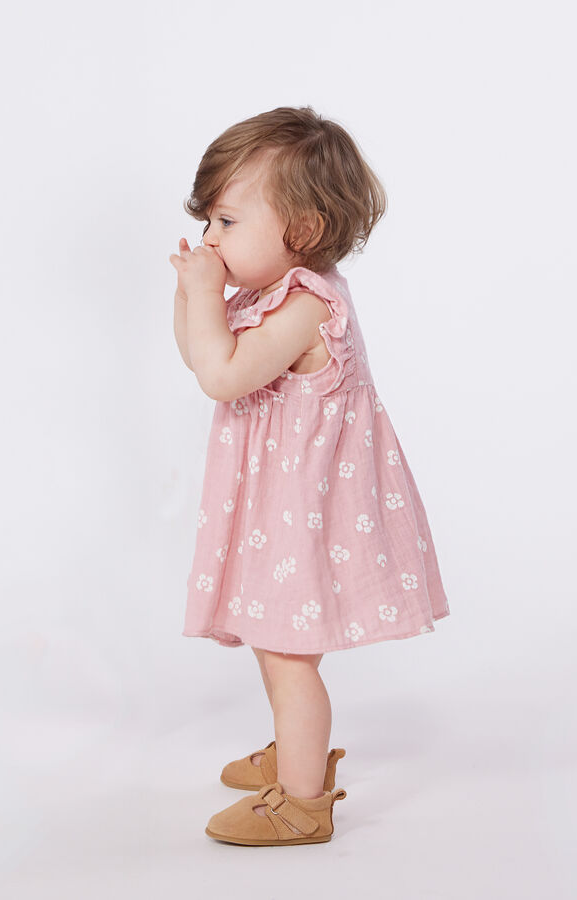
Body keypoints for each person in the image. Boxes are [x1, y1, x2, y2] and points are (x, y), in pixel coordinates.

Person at [169, 105, 451, 846]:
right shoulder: (271, 294)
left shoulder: (302, 307)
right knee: (275, 638)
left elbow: (221, 377)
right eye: (208, 222)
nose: (210, 239)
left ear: (300, 231)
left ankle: (301, 799)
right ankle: (293, 755)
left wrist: (202, 298)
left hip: (307, 510)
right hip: (282, 504)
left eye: (227, 222)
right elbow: (202, 356)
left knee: (288, 651)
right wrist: (191, 295)